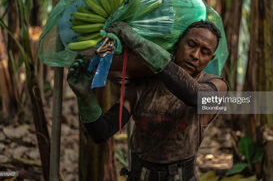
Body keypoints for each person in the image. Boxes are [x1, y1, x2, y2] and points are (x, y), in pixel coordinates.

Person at [67, 20, 228, 181]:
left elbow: (194, 96)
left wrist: (138, 42)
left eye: (205, 52)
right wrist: (85, 96)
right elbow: (102, 132)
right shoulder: (143, 83)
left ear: (211, 58)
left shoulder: (217, 86)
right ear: (179, 43)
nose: (195, 55)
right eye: (191, 44)